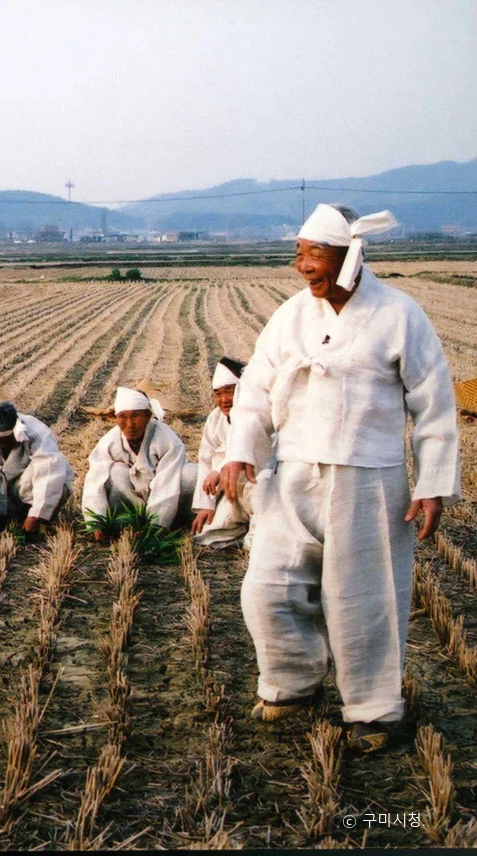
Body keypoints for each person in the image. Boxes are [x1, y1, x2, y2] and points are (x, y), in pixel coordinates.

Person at [221, 204, 461, 753]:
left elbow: (434, 406)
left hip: (369, 479)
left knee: (365, 599)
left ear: (350, 255)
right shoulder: (291, 316)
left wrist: (431, 486)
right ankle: (292, 683)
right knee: (268, 588)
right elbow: (256, 387)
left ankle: (373, 711)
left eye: (314, 254)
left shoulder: (399, 315)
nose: (302, 265)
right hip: (293, 471)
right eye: (299, 253)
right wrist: (240, 452)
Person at [82, 386, 196, 540]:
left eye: (135, 416)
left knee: (190, 474)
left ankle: (172, 521)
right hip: (134, 500)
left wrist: (157, 524)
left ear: (148, 416)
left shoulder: (166, 439)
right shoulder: (110, 442)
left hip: (170, 500)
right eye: (123, 416)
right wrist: (96, 521)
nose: (130, 424)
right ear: (116, 418)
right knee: (114, 471)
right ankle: (130, 521)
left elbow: (167, 480)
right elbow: (94, 480)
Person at [0, 401, 73, 533]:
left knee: (57, 471)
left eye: (6, 441)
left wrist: (37, 515)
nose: (2, 446)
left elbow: (49, 475)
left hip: (28, 490)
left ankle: (29, 515)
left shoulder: (36, 434)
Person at [191, 357, 253, 548]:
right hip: (232, 490)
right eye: (218, 394)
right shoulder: (215, 419)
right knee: (210, 534)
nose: (223, 400)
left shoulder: (256, 414)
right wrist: (206, 505)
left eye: (229, 391)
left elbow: (251, 447)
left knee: (258, 546)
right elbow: (205, 459)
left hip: (258, 487)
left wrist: (219, 470)